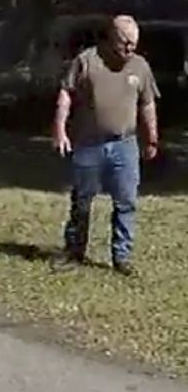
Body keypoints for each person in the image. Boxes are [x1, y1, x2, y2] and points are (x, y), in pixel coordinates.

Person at [52, 14, 158, 276]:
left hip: (125, 144)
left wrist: (151, 138)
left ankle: (122, 257)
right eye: (125, 43)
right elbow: (66, 94)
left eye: (134, 44)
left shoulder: (140, 67)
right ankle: (74, 251)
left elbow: (147, 104)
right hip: (89, 144)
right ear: (111, 37)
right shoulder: (87, 61)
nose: (129, 49)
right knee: (82, 200)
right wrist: (59, 128)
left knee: (126, 202)